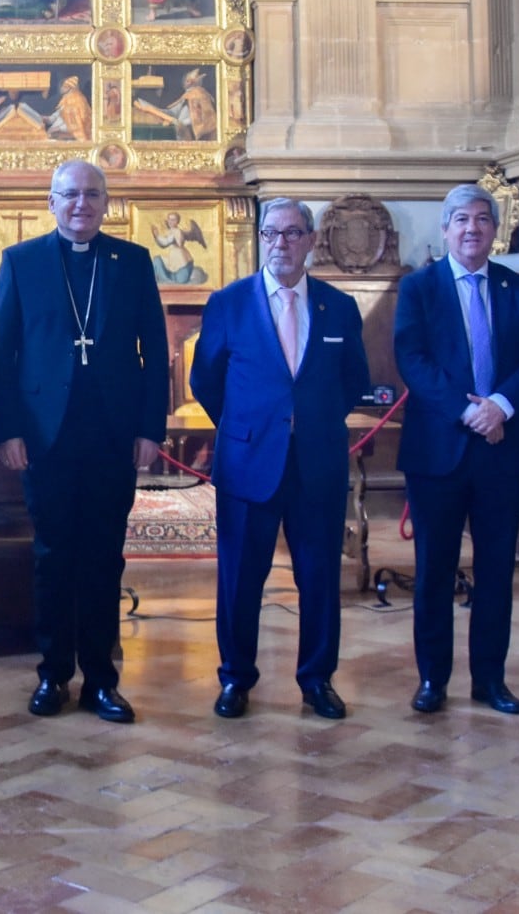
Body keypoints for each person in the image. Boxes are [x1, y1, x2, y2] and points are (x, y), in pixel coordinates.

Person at [0, 160, 169, 724]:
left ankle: (101, 680)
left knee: (103, 558)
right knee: (51, 555)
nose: (81, 204)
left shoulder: (132, 261)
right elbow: (1, 355)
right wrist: (8, 430)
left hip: (113, 434)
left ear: (106, 202)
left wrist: (149, 431)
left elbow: (154, 353)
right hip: (47, 435)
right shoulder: (21, 262)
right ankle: (52, 674)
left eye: (92, 194)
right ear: (52, 201)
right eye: (70, 195)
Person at [190, 199, 370, 720]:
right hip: (249, 463)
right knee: (241, 578)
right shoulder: (229, 303)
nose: (281, 244)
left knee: (318, 579)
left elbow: (353, 379)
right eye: (272, 234)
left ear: (311, 240)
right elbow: (207, 380)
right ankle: (236, 679)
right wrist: (251, 427)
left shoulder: (339, 306)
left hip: (318, 462)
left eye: (293, 234)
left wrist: (309, 421)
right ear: (261, 239)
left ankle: (317, 680)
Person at [393, 183, 519, 716]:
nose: (472, 228)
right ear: (446, 229)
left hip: (503, 450)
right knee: (434, 570)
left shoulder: (517, 289)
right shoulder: (419, 288)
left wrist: (500, 405)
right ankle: (433, 679)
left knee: (497, 570)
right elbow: (412, 359)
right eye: (461, 219)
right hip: (438, 449)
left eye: (483, 219)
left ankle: (491, 681)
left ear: (494, 231)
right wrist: (469, 411)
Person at [46, 75, 92, 141]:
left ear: (69, 87)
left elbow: (75, 123)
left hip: (71, 137)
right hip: (58, 133)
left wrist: (58, 128)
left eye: (63, 86)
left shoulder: (77, 100)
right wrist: (47, 119)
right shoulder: (65, 99)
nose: (61, 88)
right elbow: (58, 115)